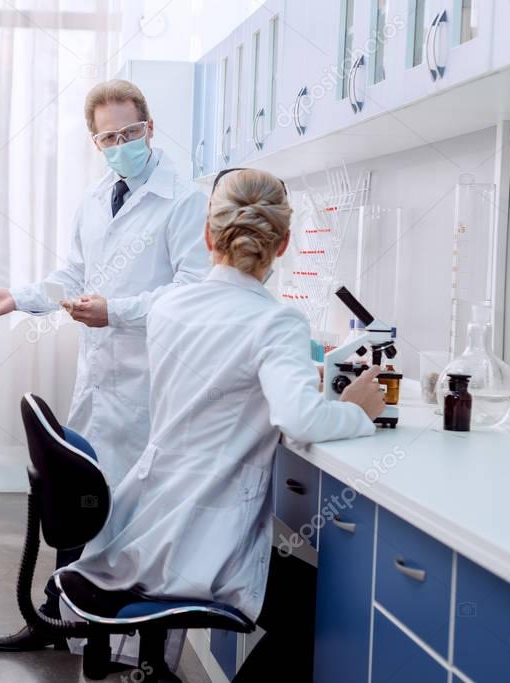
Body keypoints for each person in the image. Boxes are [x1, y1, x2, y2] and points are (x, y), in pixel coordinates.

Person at [60, 168, 386, 681]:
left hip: (145, 525)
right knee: (326, 612)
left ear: (208, 236)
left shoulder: (169, 305)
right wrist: (359, 409)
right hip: (205, 541)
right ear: (282, 247)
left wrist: (293, 370)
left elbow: (216, 376)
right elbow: (299, 418)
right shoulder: (276, 321)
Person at [0, 80, 210, 652]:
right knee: (81, 499)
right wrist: (18, 298)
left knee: (134, 517)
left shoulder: (187, 199)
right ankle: (56, 619)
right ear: (95, 141)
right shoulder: (98, 197)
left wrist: (117, 313)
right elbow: (72, 277)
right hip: (100, 377)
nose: (120, 143)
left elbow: (193, 292)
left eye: (130, 132)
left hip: (152, 384)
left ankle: (135, 646)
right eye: (108, 137)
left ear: (150, 129)